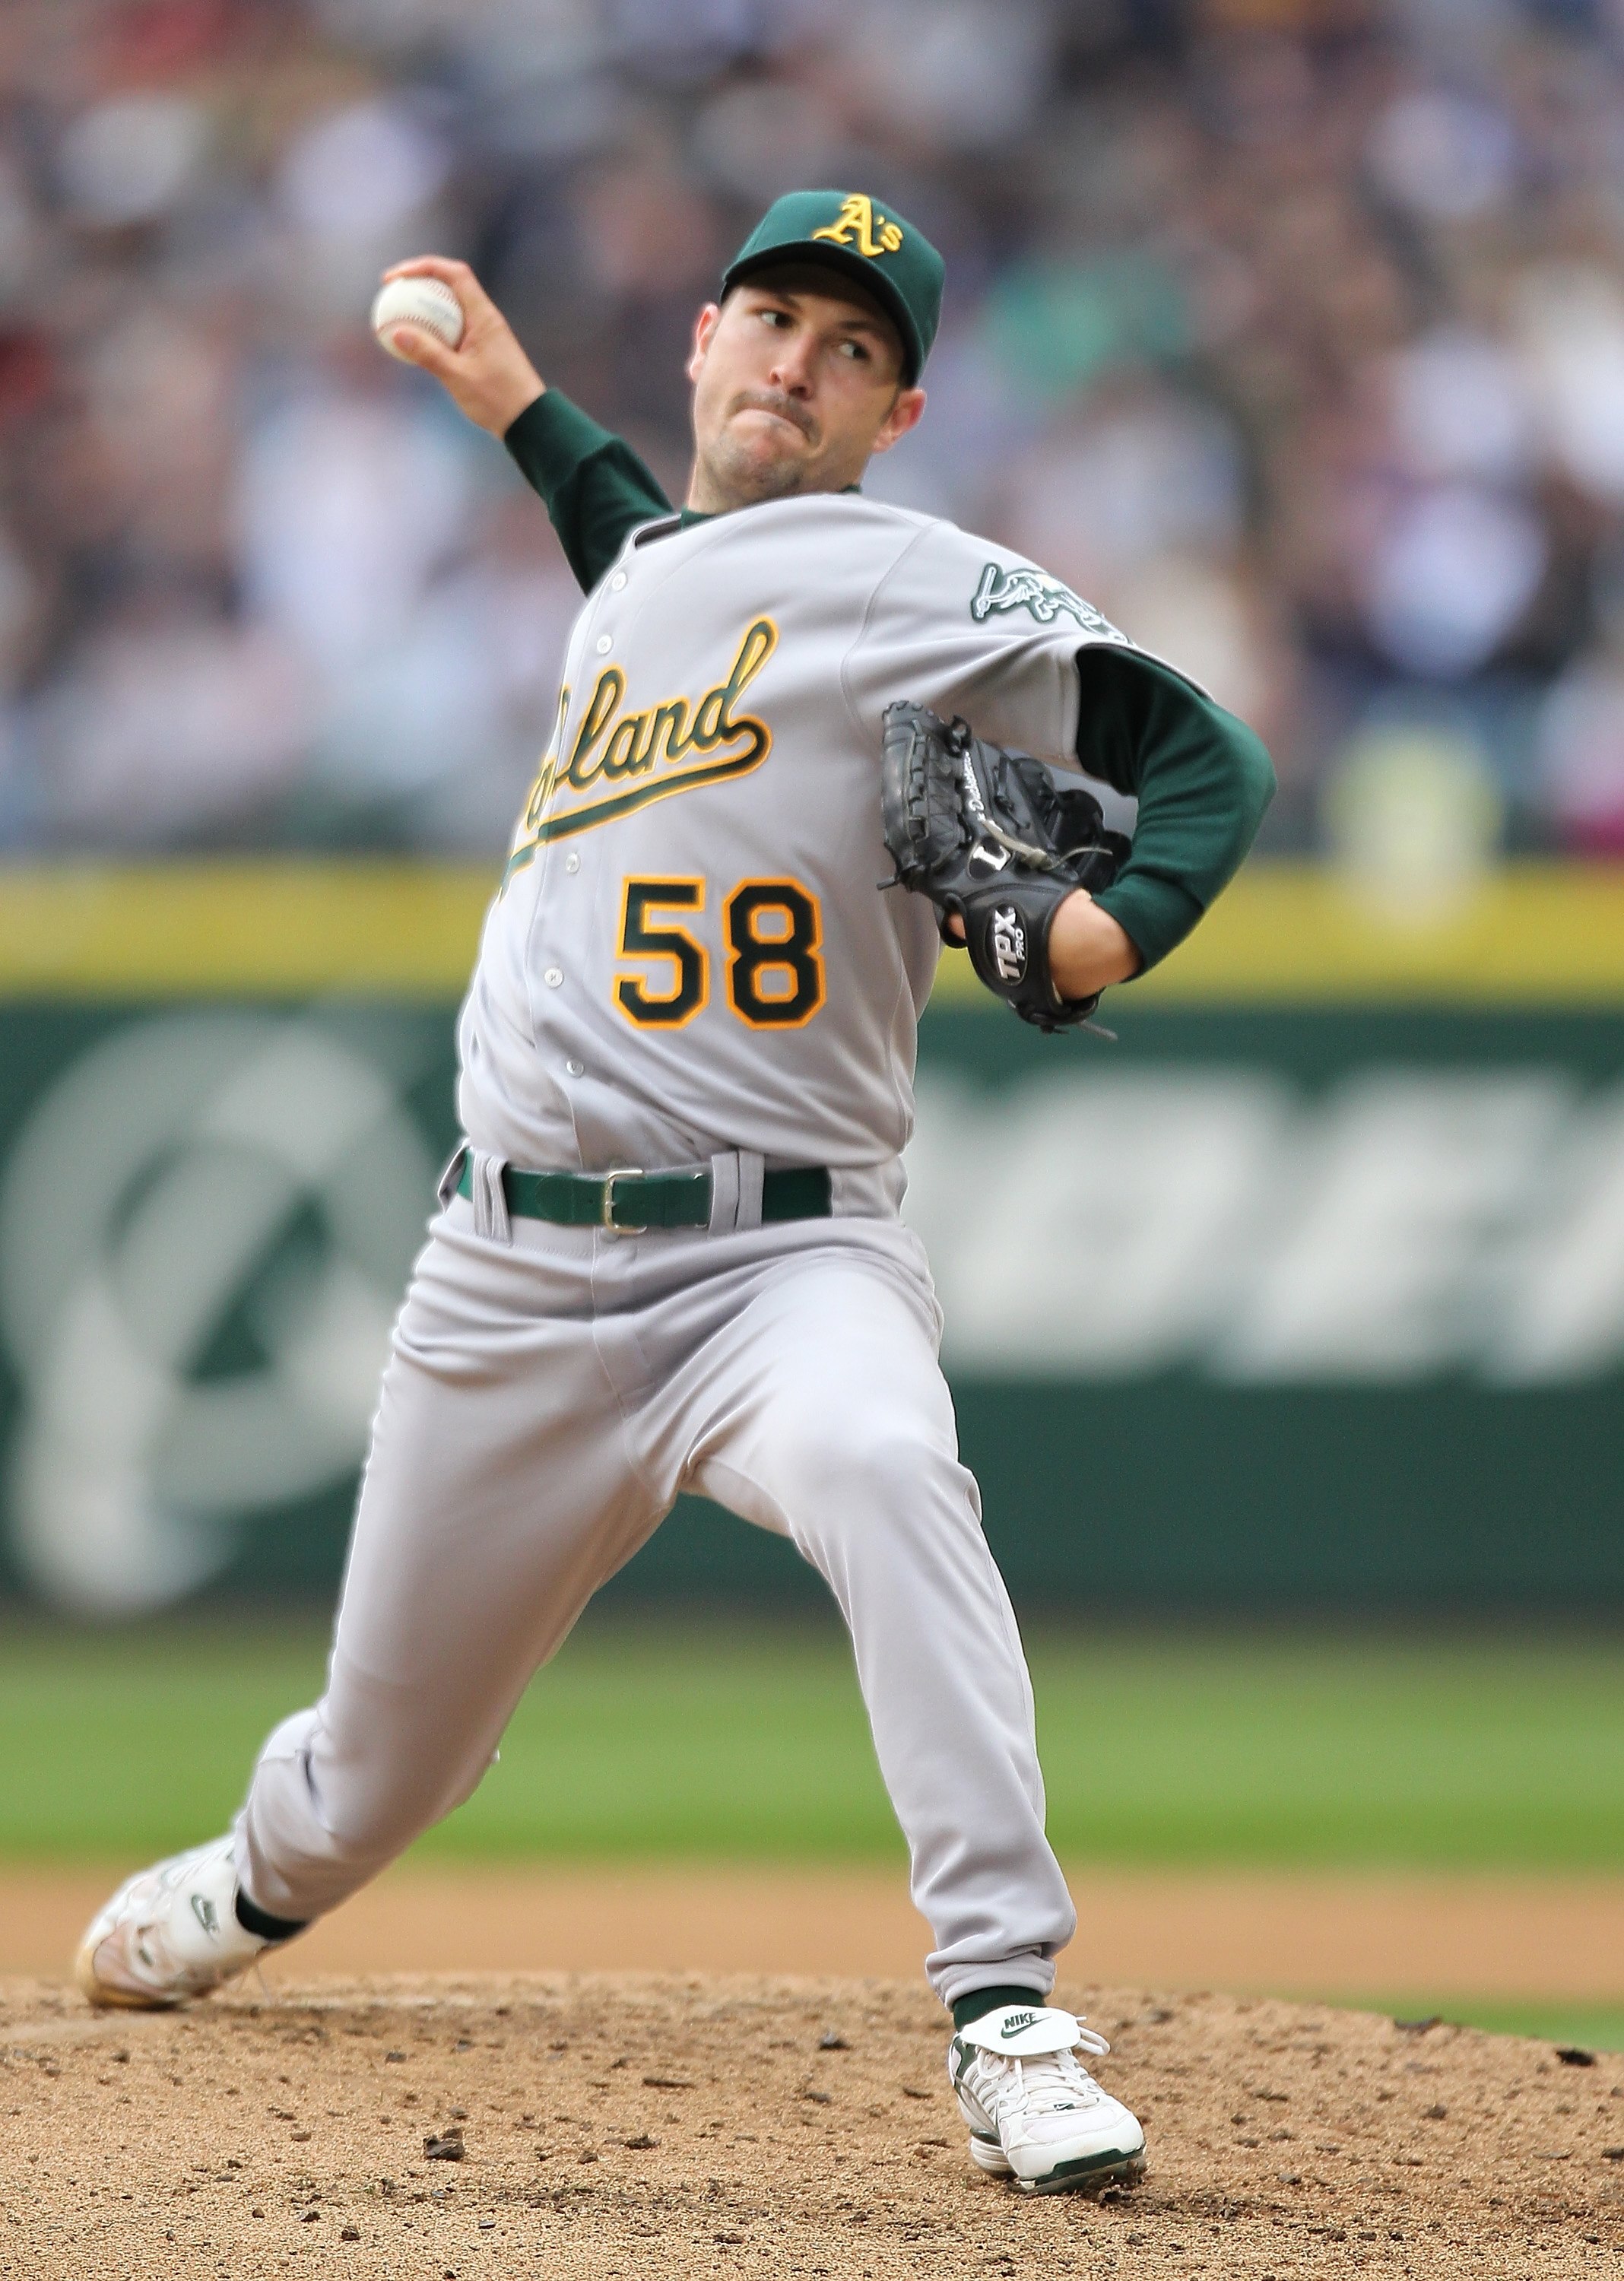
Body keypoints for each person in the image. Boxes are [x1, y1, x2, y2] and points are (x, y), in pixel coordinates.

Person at [75, 190, 1274, 2197]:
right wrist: (516, 401)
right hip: (504, 1269)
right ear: (708, 338)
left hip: (783, 1260)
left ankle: (1007, 2009)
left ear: (897, 413)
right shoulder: (651, 574)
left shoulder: (916, 581)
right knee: (376, 1772)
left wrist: (1107, 929)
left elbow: (1209, 752)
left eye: (855, 348)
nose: (803, 362)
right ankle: (259, 1882)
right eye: (777, 320)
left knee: (886, 1462)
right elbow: (634, 538)